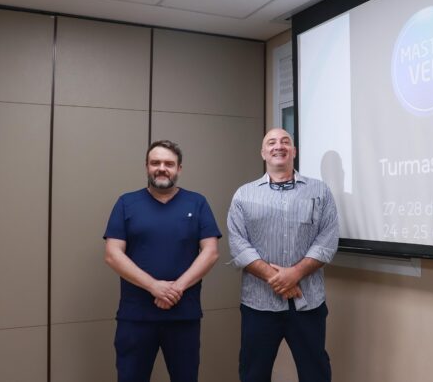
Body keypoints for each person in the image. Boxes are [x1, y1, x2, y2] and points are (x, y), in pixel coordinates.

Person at [227, 128, 339, 382]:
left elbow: (327, 240)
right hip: (258, 304)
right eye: (272, 142)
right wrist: (278, 278)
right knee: (253, 373)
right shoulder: (244, 195)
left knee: (316, 373)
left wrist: (295, 274)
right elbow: (239, 245)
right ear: (263, 152)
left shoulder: (320, 191)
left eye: (285, 142)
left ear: (294, 151)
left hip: (308, 303)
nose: (279, 146)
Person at [104, 140, 221, 382]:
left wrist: (176, 288)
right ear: (146, 166)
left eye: (169, 163)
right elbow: (113, 254)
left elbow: (210, 252)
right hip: (136, 316)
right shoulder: (126, 203)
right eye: (155, 163)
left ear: (179, 169)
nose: (161, 168)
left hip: (183, 315)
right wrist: (153, 286)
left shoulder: (197, 203)